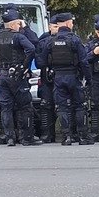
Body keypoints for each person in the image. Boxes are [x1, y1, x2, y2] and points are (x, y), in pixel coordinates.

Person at [37, 13, 93, 145]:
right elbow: (84, 62)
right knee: (80, 106)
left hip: (58, 78)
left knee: (62, 107)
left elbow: (41, 62)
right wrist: (89, 79)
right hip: (73, 76)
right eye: (71, 23)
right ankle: (83, 137)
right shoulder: (75, 40)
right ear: (68, 23)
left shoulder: (50, 41)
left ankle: (66, 137)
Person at [0, 9, 37, 146]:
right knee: (25, 107)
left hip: (2, 75)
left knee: (6, 108)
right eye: (19, 24)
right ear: (14, 25)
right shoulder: (18, 36)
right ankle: (27, 138)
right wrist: (24, 66)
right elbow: (31, 49)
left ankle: (9, 138)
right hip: (17, 77)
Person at [33, 16, 61, 144]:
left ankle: (70, 133)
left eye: (59, 26)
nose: (57, 29)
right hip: (46, 77)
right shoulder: (43, 40)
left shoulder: (67, 39)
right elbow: (39, 61)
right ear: (49, 27)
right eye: (55, 26)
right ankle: (47, 134)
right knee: (45, 105)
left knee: (65, 105)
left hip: (62, 76)